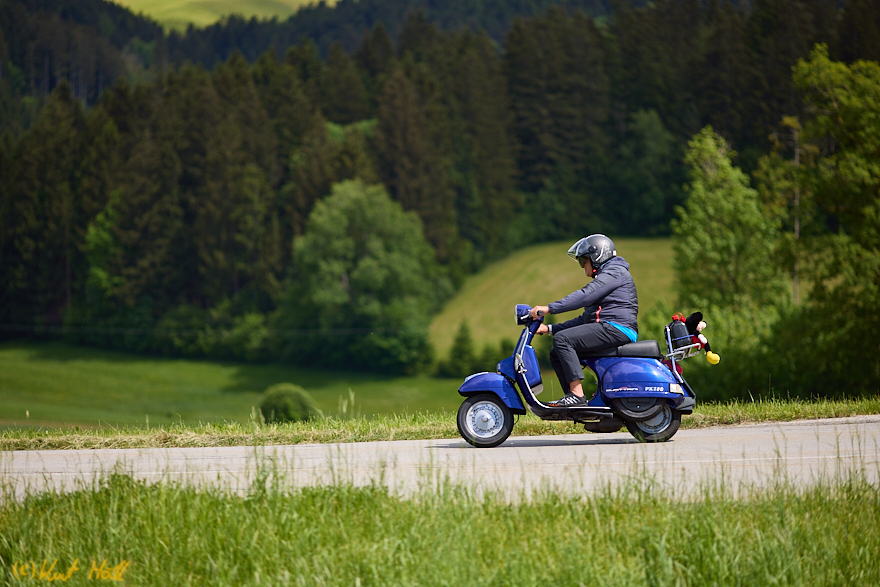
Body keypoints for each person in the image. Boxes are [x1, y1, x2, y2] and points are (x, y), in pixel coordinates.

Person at [529, 234, 639, 407]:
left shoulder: (614, 272)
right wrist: (549, 329)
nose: (582, 266)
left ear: (597, 256)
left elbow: (585, 295)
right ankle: (571, 399)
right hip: (609, 326)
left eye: (583, 261)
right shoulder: (609, 274)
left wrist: (550, 308)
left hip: (617, 327)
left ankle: (577, 396)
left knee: (563, 340)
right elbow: (585, 319)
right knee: (556, 352)